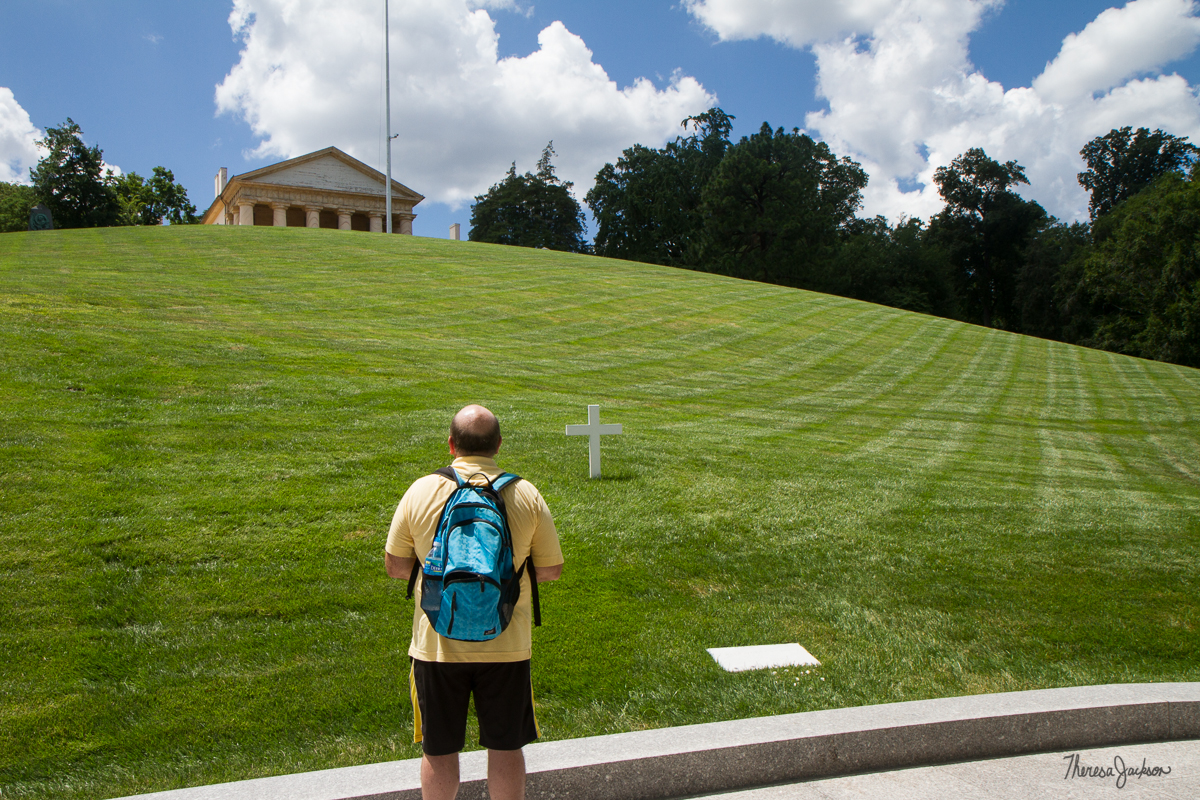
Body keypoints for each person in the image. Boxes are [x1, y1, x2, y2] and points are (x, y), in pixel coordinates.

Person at [385, 404, 564, 800]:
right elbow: (551, 570)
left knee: (439, 749)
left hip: (436, 645)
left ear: (451, 445)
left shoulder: (421, 490)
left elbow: (396, 567)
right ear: (498, 445)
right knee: (505, 746)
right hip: (506, 644)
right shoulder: (525, 493)